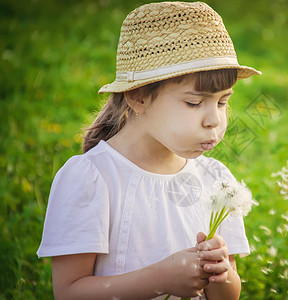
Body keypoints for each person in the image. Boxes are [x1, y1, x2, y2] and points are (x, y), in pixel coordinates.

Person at [37, 2, 261, 300]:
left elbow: (227, 295)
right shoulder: (93, 179)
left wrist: (221, 273)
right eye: (194, 103)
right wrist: (160, 280)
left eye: (222, 102)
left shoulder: (216, 181)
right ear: (138, 97)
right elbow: (68, 292)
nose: (215, 121)